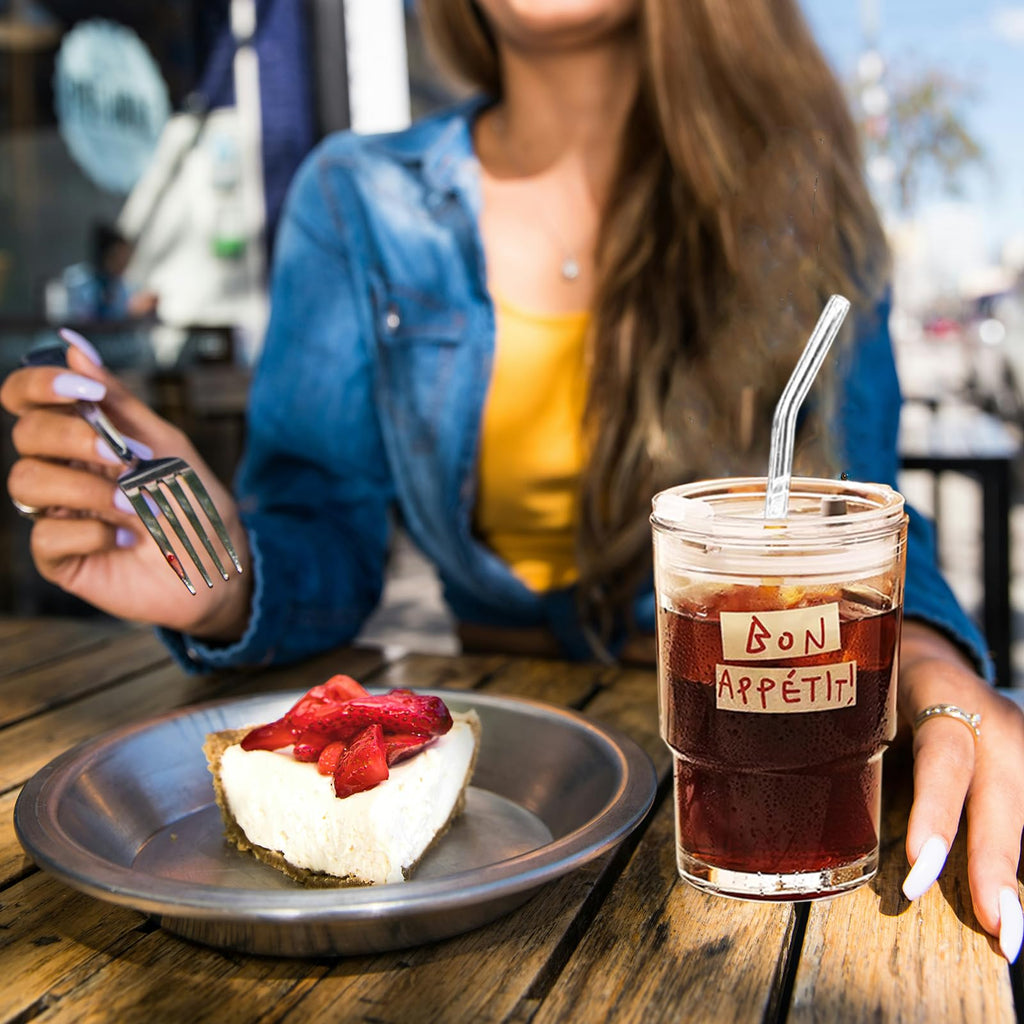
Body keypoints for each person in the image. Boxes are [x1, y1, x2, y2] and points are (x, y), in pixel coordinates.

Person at [3, 0, 1023, 960]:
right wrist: (214, 567)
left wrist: (931, 662)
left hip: (772, 787)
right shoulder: (354, 198)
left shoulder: (806, 205)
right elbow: (321, 528)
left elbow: (862, 512)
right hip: (506, 808)